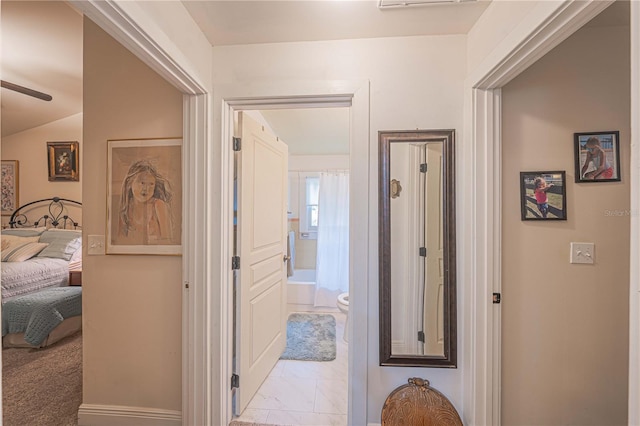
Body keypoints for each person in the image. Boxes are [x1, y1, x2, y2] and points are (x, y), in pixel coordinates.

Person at [119, 160, 173, 245]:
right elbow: (120, 242)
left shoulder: (159, 205)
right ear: (130, 183)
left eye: (151, 184)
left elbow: (169, 242)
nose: (146, 189)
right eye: (142, 183)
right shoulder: (126, 209)